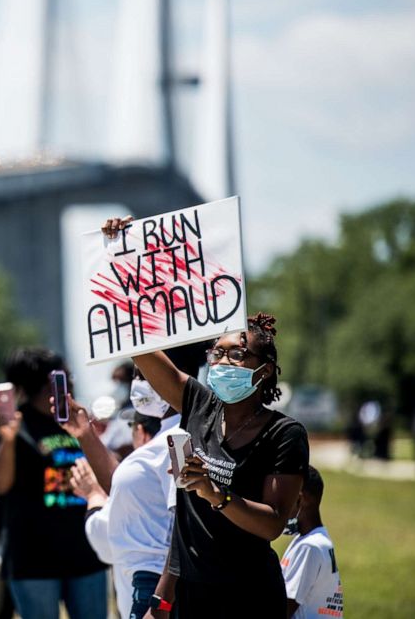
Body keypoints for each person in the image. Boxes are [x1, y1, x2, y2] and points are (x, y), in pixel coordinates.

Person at [109, 210, 309, 619]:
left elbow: (273, 524)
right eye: (216, 351)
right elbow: (138, 343)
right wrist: (121, 256)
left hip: (247, 596)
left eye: (237, 353)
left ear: (264, 369)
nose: (222, 360)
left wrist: (217, 495)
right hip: (189, 598)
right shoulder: (198, 406)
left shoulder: (284, 434)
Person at [0, 348, 108, 619]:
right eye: (66, 375)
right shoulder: (16, 424)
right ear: (50, 382)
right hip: (32, 560)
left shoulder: (75, 420)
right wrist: (7, 440)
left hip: (85, 553)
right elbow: (0, 484)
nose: (71, 381)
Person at [66, 376, 184, 619]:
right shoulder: (183, 441)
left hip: (155, 595)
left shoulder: (158, 456)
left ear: (140, 431)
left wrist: (94, 497)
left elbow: (103, 541)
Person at [281, 466, 343, 619]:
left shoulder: (309, 547)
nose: (279, 506)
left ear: (301, 499)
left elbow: (283, 609)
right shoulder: (312, 540)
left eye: (284, 499)